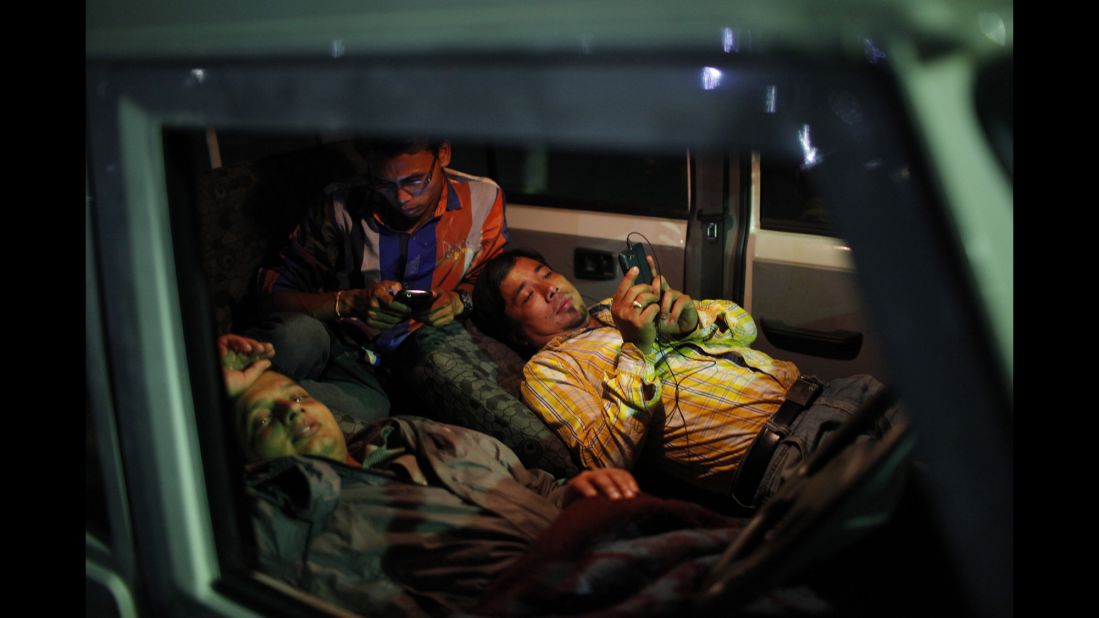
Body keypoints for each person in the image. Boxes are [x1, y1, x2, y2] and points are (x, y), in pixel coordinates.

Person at [219, 333, 657, 616]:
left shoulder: (412, 436)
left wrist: (574, 493)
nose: (291, 414)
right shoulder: (278, 514)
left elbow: (535, 484)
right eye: (260, 420)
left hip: (607, 556)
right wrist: (207, 403)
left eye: (297, 399)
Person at [471, 249, 900, 508]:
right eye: (526, 295)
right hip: (791, 452)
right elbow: (606, 459)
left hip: (839, 390)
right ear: (515, 333)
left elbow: (743, 326)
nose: (550, 289)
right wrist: (638, 348)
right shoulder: (548, 370)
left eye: (545, 274)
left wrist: (693, 323)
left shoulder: (610, 308)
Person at [249, 137, 509, 421]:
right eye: (384, 184)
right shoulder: (339, 206)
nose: (401, 198)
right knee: (295, 335)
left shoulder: (483, 199)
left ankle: (254, 402)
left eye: (415, 181)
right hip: (337, 338)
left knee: (372, 409)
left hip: (393, 360)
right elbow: (272, 299)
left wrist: (459, 301)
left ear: (443, 154)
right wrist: (349, 303)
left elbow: (488, 280)